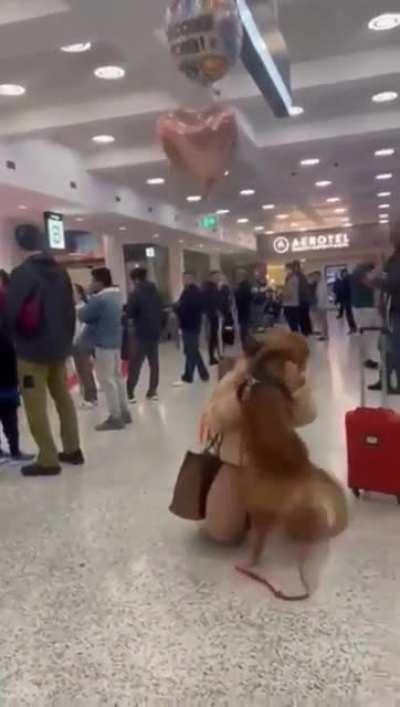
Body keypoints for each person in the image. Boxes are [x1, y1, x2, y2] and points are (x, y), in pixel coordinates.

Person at [199, 332, 317, 543]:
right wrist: (241, 395)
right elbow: (214, 420)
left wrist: (297, 388)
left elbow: (307, 416)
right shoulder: (236, 380)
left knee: (303, 527)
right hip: (236, 466)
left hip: (275, 465)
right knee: (223, 534)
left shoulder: (288, 384)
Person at [7, 235, 82, 476]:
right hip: (59, 348)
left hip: (31, 350)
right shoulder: (61, 273)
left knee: (35, 405)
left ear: (19, 247)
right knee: (63, 398)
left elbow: (10, 311)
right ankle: (72, 449)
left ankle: (48, 459)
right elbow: (70, 311)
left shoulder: (22, 273)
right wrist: (66, 342)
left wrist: (9, 339)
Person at [79, 267, 131, 430]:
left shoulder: (99, 299)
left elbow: (83, 316)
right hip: (115, 340)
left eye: (93, 281)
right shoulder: (117, 295)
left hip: (102, 342)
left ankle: (115, 417)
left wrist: (88, 297)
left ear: (99, 282)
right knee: (117, 378)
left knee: (106, 380)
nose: (91, 284)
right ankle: (124, 412)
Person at [0, 270, 33, 465]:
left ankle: (13, 449)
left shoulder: (8, 305)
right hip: (7, 359)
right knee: (9, 411)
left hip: (7, 361)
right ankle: (13, 450)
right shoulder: (9, 304)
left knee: (9, 410)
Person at [365, 225, 400, 393]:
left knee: (394, 348)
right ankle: (384, 379)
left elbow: (393, 283)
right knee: (384, 346)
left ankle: (393, 382)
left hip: (396, 312)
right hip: (390, 310)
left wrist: (373, 282)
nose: (392, 236)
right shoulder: (393, 258)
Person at [126, 267, 163, 402]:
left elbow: (130, 313)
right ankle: (152, 392)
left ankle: (130, 393)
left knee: (135, 364)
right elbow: (161, 311)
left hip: (140, 333)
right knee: (154, 364)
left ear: (135, 279)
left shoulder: (135, 293)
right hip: (154, 332)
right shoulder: (156, 292)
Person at [174, 272, 209, 385]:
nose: (184, 281)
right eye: (183, 278)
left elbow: (184, 308)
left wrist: (177, 308)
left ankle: (188, 375)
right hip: (192, 324)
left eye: (186, 278)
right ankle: (203, 373)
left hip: (190, 325)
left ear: (192, 279)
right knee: (193, 350)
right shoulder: (189, 291)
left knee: (190, 351)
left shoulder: (191, 292)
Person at [73, 284, 98, 409]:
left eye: (73, 292)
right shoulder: (74, 307)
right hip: (75, 342)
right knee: (81, 370)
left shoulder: (83, 307)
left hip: (82, 342)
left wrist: (80, 338)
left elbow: (84, 326)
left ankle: (90, 397)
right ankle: (90, 395)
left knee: (85, 370)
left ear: (79, 293)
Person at [352, 263, 381, 369]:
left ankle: (368, 358)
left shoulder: (357, 272)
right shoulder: (360, 272)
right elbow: (368, 283)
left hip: (362, 307)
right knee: (369, 335)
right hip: (364, 308)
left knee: (366, 334)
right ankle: (370, 359)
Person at [202, 271, 221, 365]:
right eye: (216, 276)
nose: (218, 278)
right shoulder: (209, 288)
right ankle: (212, 357)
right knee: (213, 337)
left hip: (213, 315)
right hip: (211, 316)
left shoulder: (213, 287)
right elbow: (210, 302)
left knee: (214, 337)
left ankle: (215, 355)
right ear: (211, 277)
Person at [293, 260, 313, 336]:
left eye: (296, 266)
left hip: (301, 300)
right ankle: (307, 331)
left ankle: (305, 331)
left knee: (303, 316)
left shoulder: (298, 276)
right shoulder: (301, 276)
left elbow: (300, 289)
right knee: (305, 316)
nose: (296, 268)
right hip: (303, 300)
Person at [234, 269, 252, 346]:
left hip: (244, 309)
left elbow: (242, 297)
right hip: (244, 309)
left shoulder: (244, 285)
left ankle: (245, 343)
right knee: (244, 327)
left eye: (238, 275)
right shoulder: (244, 285)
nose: (237, 277)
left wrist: (236, 293)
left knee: (244, 327)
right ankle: (245, 342)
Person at [338, 268, 357, 334]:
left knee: (349, 314)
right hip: (346, 299)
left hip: (347, 299)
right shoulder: (345, 280)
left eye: (345, 272)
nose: (344, 274)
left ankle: (353, 328)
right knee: (349, 314)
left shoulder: (346, 280)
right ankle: (353, 328)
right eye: (344, 273)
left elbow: (345, 290)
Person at [282, 262, 300, 332]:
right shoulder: (288, 278)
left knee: (293, 325)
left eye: (286, 269)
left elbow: (290, 292)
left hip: (291, 304)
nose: (285, 270)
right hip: (289, 304)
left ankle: (296, 340)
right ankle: (295, 338)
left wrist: (283, 294)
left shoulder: (293, 279)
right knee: (292, 324)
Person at [313, 271, 330, 341]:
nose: (315, 278)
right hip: (321, 304)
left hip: (322, 305)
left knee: (324, 321)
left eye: (315, 276)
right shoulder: (319, 283)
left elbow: (322, 295)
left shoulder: (322, 284)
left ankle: (325, 336)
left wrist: (320, 305)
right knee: (323, 321)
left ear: (319, 276)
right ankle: (324, 334)